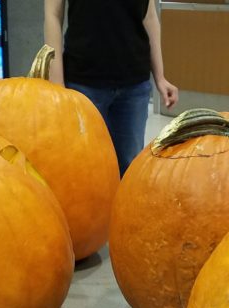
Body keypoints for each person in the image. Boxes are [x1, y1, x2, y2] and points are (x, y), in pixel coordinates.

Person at [44, 0, 179, 176]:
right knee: (85, 167)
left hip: (134, 83)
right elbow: (53, 15)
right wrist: (57, 85)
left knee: (129, 166)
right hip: (83, 83)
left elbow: (149, 16)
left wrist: (160, 77)